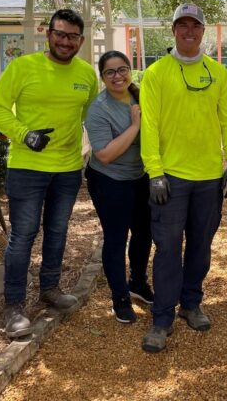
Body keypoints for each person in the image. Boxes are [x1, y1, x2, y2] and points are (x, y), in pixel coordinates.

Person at [0, 8, 98, 339]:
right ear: (48, 33)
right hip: (27, 168)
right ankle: (14, 306)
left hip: (67, 169)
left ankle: (49, 288)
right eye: (60, 34)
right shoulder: (24, 67)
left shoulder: (86, 74)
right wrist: (25, 134)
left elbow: (93, 114)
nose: (66, 42)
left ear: (81, 40)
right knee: (23, 236)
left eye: (73, 37)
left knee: (57, 231)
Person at [139, 3, 227, 353]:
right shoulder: (156, 74)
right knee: (167, 248)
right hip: (171, 178)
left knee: (201, 244)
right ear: (173, 31)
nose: (189, 31)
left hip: (209, 177)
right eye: (182, 25)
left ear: (202, 31)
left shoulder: (218, 73)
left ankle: (191, 304)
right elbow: (148, 125)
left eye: (194, 25)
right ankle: (162, 318)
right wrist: (155, 172)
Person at [84, 50, 152, 325]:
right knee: (116, 237)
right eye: (110, 72)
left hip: (140, 176)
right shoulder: (99, 109)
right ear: (102, 77)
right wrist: (135, 125)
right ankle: (120, 297)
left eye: (122, 69)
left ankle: (138, 283)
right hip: (109, 180)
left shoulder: (141, 96)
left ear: (130, 71)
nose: (117, 76)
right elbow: (105, 154)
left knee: (144, 233)